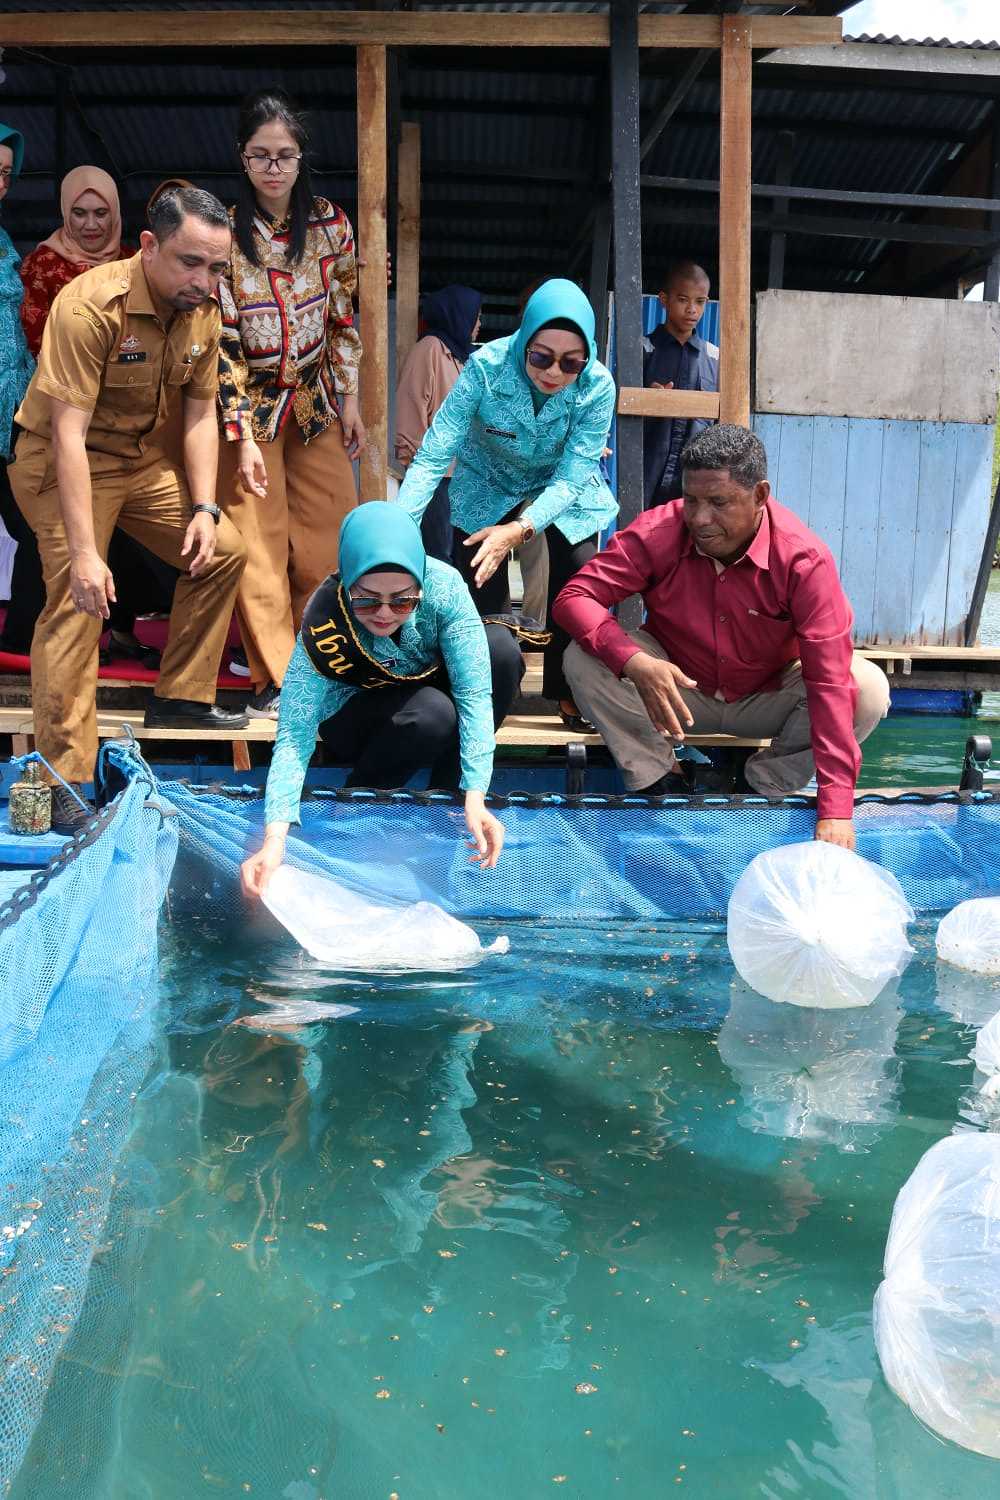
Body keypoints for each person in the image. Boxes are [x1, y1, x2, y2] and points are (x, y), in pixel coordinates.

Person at [9, 185, 249, 832]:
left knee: (224, 552)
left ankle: (182, 697)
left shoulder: (199, 308)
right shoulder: (90, 307)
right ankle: (65, 779)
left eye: (216, 267)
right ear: (149, 245)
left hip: (138, 463)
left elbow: (201, 413)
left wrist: (203, 506)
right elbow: (65, 433)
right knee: (75, 597)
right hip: (62, 458)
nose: (203, 280)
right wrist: (87, 555)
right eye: (189, 262)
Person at [554, 425, 890, 852]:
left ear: (760, 495)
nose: (698, 518)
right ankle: (661, 780)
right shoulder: (659, 530)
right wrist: (636, 663)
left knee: (867, 688)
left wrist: (836, 810)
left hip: (765, 696)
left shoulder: (804, 560)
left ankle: (763, 784)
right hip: (675, 697)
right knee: (583, 659)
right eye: (691, 500)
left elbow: (828, 680)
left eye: (718, 502)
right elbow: (574, 597)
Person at [240, 502, 519, 897]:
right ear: (347, 584)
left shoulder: (446, 587)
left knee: (501, 653)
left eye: (402, 601)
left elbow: (474, 694)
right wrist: (274, 840)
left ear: (421, 586)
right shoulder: (326, 616)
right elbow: (294, 736)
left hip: (422, 687)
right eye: (367, 601)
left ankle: (451, 800)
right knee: (431, 713)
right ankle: (357, 810)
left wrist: (475, 795)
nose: (385, 613)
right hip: (357, 713)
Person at [395, 277, 617, 729]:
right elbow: (436, 450)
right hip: (487, 482)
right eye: (541, 357)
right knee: (477, 577)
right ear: (524, 341)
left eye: (570, 362)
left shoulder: (597, 386)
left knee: (579, 572)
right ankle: (483, 694)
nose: (553, 372)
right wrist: (398, 524)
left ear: (587, 357)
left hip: (560, 487)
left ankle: (569, 692)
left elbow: (574, 475)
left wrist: (519, 529)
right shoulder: (486, 367)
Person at [217, 89, 365, 721]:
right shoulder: (223, 231)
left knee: (333, 530)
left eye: (284, 155)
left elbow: (343, 317)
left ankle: (328, 667)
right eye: (260, 156)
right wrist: (240, 433)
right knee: (258, 541)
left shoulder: (331, 223)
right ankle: (276, 680)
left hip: (317, 401)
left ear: (301, 159)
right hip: (251, 408)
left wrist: (352, 399)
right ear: (243, 160)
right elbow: (221, 340)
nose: (273, 167)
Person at [10, 164, 177, 665]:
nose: (90, 223)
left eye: (100, 212)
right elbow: (41, 343)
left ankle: (120, 630)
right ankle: (33, 645)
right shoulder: (42, 265)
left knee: (126, 533)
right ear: (64, 212)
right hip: (61, 415)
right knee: (60, 538)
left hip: (125, 429)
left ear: (116, 214)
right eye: (79, 212)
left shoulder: (134, 259)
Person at [394, 283, 481, 565]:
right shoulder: (430, 349)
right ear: (459, 315)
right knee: (437, 556)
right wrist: (415, 465)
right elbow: (410, 407)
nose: (479, 324)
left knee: (459, 557)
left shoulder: (461, 357)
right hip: (435, 475)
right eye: (476, 316)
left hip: (461, 477)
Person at [0, 122, 36, 656]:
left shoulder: (3, 237)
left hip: (13, 410)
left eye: (5, 173)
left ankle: (22, 644)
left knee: (36, 527)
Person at [642, 260, 719, 508]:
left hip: (697, 482)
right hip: (645, 475)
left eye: (700, 302)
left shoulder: (714, 358)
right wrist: (648, 400)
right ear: (664, 300)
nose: (692, 310)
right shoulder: (642, 351)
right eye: (683, 299)